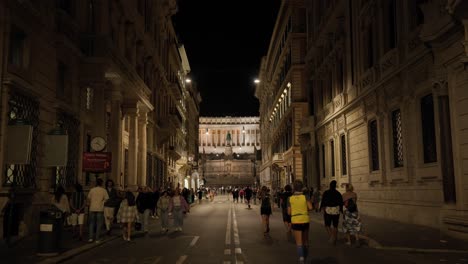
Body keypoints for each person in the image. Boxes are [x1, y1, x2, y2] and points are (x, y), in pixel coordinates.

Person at [288, 180, 313, 264]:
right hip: (305, 219)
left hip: (295, 220)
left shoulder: (290, 198)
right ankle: (306, 254)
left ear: (294, 188)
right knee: (305, 240)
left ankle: (301, 258)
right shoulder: (305, 197)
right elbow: (310, 207)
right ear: (302, 187)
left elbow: (289, 212)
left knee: (299, 242)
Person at [320, 180, 343, 245]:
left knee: (327, 225)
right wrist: (341, 210)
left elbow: (323, 201)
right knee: (335, 225)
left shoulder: (326, 192)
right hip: (336, 210)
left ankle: (331, 237)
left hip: (328, 210)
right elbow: (340, 202)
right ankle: (334, 238)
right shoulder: (338, 193)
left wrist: (322, 208)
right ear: (335, 186)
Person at [87, 178, 109, 243]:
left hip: (92, 208)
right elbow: (107, 199)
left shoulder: (92, 190)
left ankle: (90, 238)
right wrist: (103, 202)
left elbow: (88, 198)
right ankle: (97, 238)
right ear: (101, 183)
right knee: (99, 224)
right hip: (100, 208)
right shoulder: (104, 190)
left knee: (91, 223)